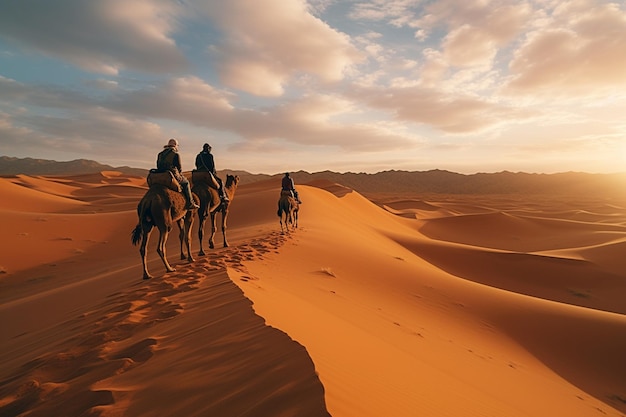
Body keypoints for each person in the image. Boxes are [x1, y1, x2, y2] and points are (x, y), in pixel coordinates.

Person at [156, 138, 199, 210]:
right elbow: (179, 168)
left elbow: (158, 165)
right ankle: (190, 202)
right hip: (171, 175)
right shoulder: (175, 154)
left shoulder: (160, 154)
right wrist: (180, 175)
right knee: (186, 183)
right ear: (175, 146)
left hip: (160, 175)